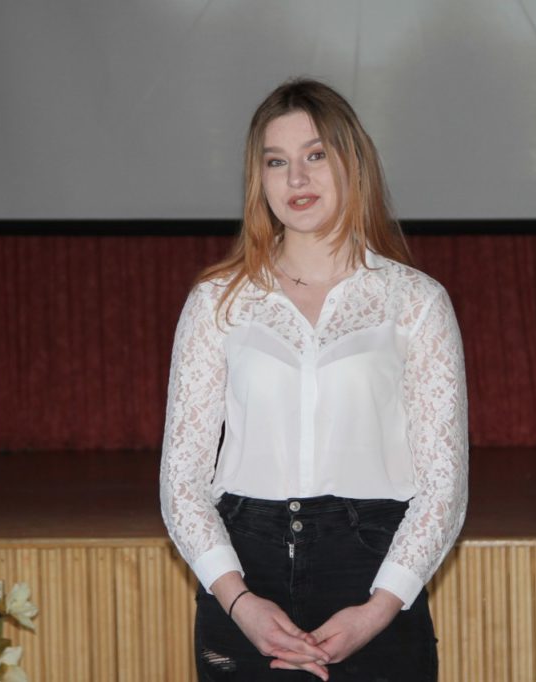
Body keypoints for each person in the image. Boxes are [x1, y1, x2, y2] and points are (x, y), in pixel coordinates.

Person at [161, 78, 468, 681]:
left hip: (374, 575)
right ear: (259, 180)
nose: (296, 178)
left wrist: (379, 610)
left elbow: (443, 487)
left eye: (316, 155)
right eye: (277, 162)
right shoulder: (218, 301)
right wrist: (240, 604)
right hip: (244, 576)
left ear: (353, 163)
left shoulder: (414, 301)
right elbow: (181, 482)